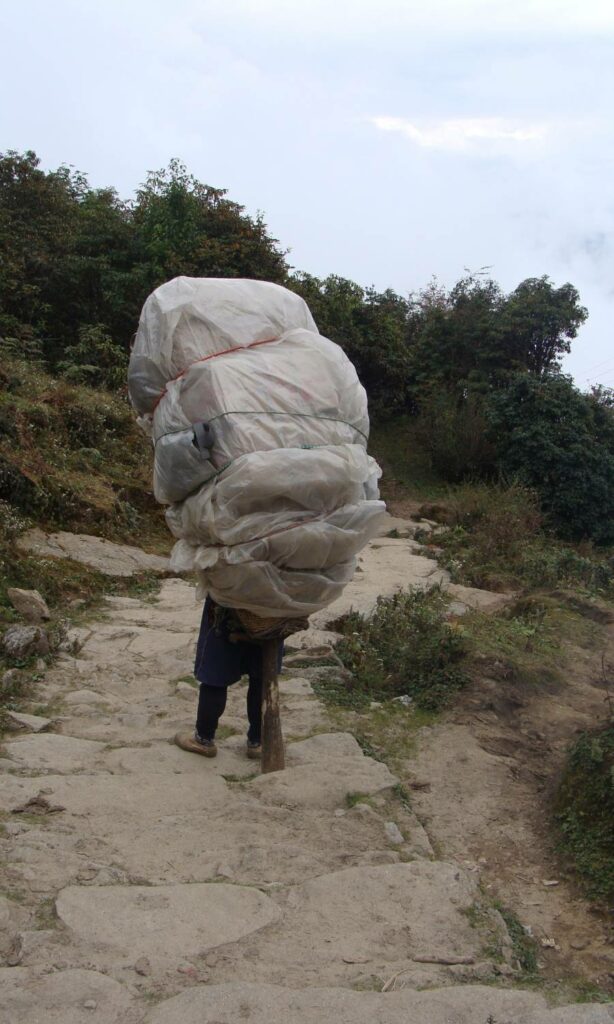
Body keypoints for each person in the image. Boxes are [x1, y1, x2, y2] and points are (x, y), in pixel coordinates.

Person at [174, 596, 283, 759]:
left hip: (229, 602)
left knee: (216, 671)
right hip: (275, 606)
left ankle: (203, 739)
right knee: (262, 672)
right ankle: (258, 742)